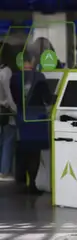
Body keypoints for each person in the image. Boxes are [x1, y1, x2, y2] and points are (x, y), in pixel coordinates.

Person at [11, 50, 51, 195]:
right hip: (37, 118)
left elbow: (14, 98)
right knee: (35, 152)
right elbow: (47, 98)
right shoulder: (39, 76)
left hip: (22, 116)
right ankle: (32, 184)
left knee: (24, 150)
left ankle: (22, 180)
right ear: (33, 60)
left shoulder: (14, 78)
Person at [0, 43, 17, 180]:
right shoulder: (6, 71)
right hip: (4, 109)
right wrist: (15, 108)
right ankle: (5, 171)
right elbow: (8, 93)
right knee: (8, 139)